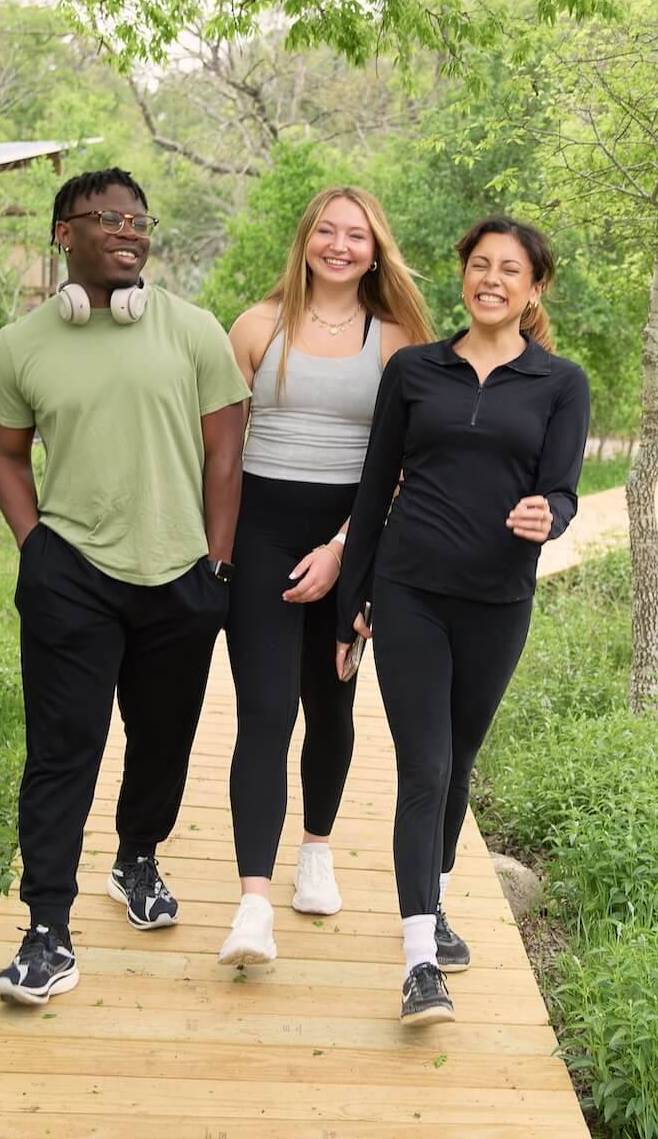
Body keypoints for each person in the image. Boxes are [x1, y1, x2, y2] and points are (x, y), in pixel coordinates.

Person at [0, 167, 251, 1005]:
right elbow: (6, 454)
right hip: (72, 577)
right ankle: (46, 929)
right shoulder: (22, 345)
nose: (129, 232)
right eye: (109, 219)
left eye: (139, 221)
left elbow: (226, 454)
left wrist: (217, 563)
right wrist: (35, 547)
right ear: (65, 234)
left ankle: (137, 857)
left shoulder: (194, 331)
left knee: (162, 741)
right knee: (63, 750)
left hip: (181, 575)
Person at [333, 216, 590, 1025]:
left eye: (510, 269)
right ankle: (419, 961)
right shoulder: (415, 370)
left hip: (498, 601)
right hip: (409, 590)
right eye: (480, 264)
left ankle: (435, 901)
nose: (492, 279)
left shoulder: (561, 383)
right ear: (463, 275)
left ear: (534, 288)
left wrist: (549, 515)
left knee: (460, 760)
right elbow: (374, 487)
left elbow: (563, 490)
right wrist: (352, 604)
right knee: (425, 766)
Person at [215, 186, 432, 967]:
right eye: (327, 231)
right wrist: (218, 552)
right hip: (261, 540)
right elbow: (222, 454)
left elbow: (404, 464)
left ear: (376, 251)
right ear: (305, 238)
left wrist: (344, 549)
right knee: (264, 714)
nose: (340, 246)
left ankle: (315, 850)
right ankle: (252, 907)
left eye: (357, 235)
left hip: (354, 542)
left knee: (330, 705)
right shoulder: (255, 327)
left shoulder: (396, 341)